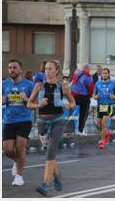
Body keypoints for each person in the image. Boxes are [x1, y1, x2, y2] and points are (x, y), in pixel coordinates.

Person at [27, 60, 75, 196]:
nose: (47, 71)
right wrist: (38, 104)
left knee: (50, 153)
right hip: (42, 122)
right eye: (46, 69)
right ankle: (57, 176)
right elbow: (29, 104)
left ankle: (45, 184)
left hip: (58, 121)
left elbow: (73, 102)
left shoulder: (63, 86)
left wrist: (68, 105)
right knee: (50, 153)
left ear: (57, 71)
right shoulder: (39, 85)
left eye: (50, 68)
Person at [3, 59, 34, 186]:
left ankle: (19, 176)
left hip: (24, 120)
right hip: (9, 120)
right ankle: (17, 161)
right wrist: (3, 99)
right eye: (10, 67)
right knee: (8, 150)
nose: (12, 70)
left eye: (14, 67)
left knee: (20, 147)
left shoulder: (29, 85)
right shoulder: (3, 84)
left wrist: (26, 99)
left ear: (20, 70)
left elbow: (34, 103)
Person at [93, 68, 115, 149]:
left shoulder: (113, 84)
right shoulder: (97, 83)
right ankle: (107, 132)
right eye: (103, 73)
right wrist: (95, 97)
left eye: (105, 73)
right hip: (100, 106)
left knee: (103, 123)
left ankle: (102, 141)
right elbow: (94, 95)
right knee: (99, 124)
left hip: (109, 106)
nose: (104, 74)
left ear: (109, 74)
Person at [71, 63, 94, 135]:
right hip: (84, 97)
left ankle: (70, 129)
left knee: (73, 113)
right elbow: (91, 88)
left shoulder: (76, 74)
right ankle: (80, 130)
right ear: (87, 69)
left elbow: (72, 84)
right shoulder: (88, 76)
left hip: (74, 96)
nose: (90, 70)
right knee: (83, 114)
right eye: (89, 69)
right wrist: (90, 95)